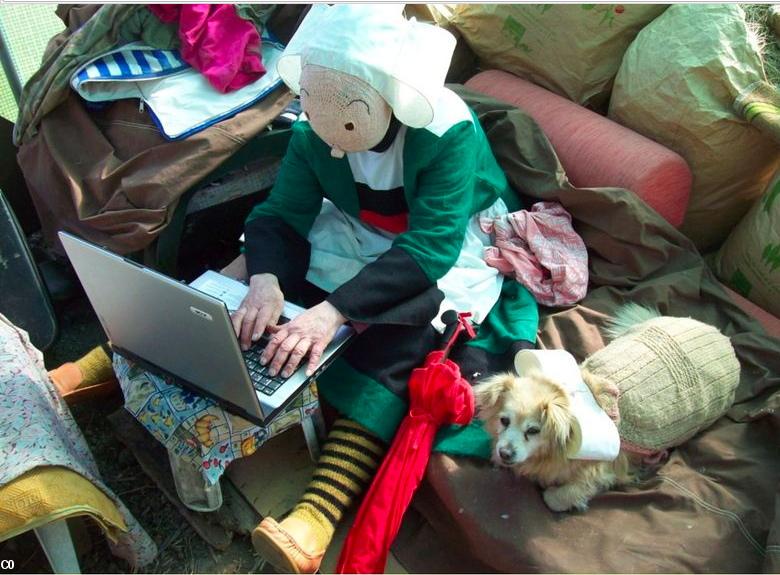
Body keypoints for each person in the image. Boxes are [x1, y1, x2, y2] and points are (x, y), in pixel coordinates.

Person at [233, 5, 539, 573]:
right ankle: (143, 351)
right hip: (359, 224)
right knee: (255, 270)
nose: (327, 134)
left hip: (450, 239)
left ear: (388, 97)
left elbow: (431, 249)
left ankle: (317, 514)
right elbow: (283, 210)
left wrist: (332, 312)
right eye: (313, 110)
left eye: (345, 119)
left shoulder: (446, 132)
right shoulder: (314, 127)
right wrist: (265, 280)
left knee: (416, 335)